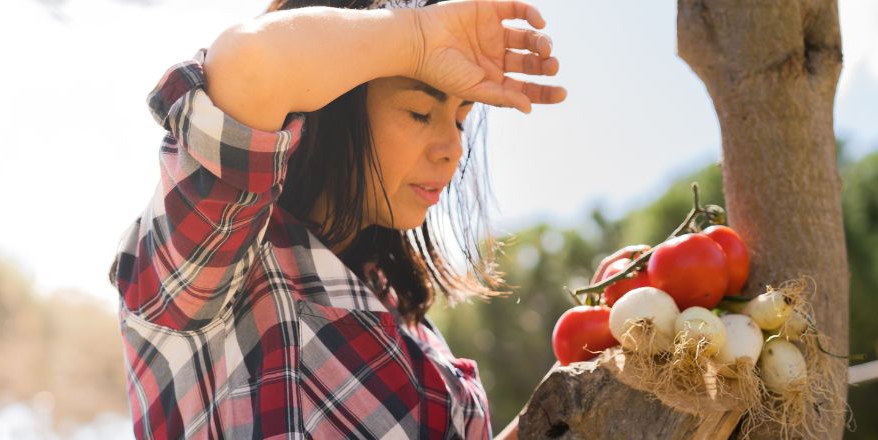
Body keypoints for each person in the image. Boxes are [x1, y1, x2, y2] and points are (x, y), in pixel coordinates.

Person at [109, 0, 565, 438]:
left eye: (461, 120)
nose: (452, 148)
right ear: (333, 105)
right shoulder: (216, 263)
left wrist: (581, 386)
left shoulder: (405, 317)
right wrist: (418, 38)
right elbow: (250, 62)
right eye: (421, 112)